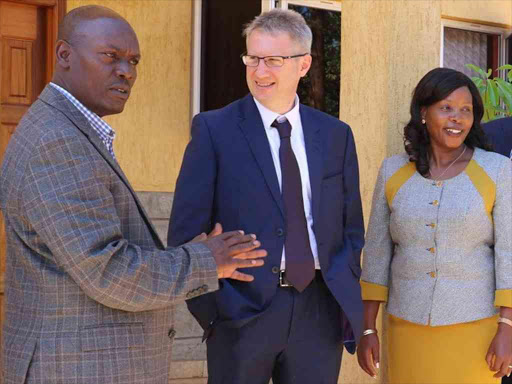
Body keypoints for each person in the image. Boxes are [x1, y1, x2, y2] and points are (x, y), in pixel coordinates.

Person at [0, 6, 266, 384]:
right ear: (64, 55)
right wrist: (206, 261)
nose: (127, 72)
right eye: (111, 56)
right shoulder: (57, 142)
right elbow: (108, 271)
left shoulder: (71, 131)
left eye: (133, 61)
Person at [168, 8, 364, 384]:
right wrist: (214, 311)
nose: (260, 72)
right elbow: (184, 231)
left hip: (318, 311)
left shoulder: (336, 135)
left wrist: (342, 282)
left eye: (273, 60)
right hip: (240, 313)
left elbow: (350, 225)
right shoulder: (214, 129)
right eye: (252, 58)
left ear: (303, 64)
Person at [357, 67, 512, 383]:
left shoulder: (497, 170)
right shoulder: (392, 172)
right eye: (447, 108)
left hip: (476, 331)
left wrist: (507, 329)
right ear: (423, 113)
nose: (457, 118)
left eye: (466, 110)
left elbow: (509, 254)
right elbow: (376, 255)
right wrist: (368, 328)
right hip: (406, 328)